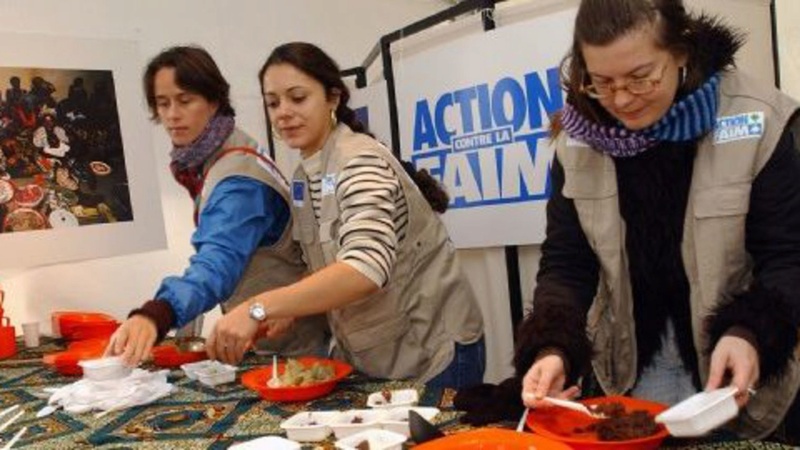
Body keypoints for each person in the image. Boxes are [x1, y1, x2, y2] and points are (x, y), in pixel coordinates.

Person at [507, 0, 800, 443]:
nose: (621, 99)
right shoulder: (578, 141)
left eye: (641, 78)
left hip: (739, 369)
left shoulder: (758, 120)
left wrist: (750, 333)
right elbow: (567, 263)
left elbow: (788, 256)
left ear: (681, 53)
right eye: (601, 82)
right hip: (628, 367)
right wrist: (553, 347)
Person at [207, 42, 485, 389]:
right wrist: (290, 308)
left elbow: (364, 268)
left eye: (297, 97)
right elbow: (325, 261)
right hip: (375, 356)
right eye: (273, 102)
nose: (283, 113)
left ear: (333, 98)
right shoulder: (304, 176)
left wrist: (258, 307)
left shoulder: (359, 161)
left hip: (431, 355)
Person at [105, 46, 328, 366]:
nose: (172, 115)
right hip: (272, 338)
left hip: (293, 351)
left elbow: (215, 265)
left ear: (213, 100)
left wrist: (157, 313)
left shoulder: (237, 178)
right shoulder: (223, 153)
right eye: (162, 103)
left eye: (185, 100)